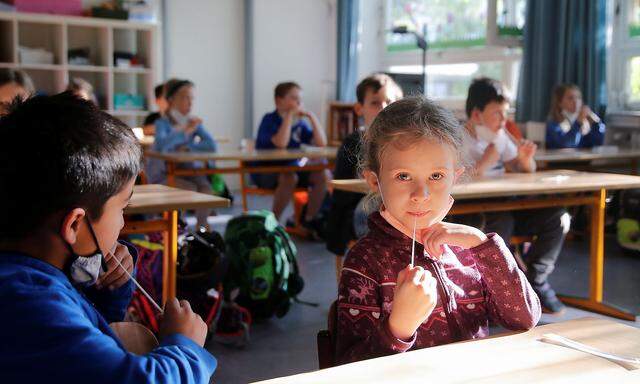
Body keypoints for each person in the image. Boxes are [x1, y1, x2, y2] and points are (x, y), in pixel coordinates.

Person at [0, 92, 216, 383]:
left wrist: (109, 286)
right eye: (122, 208)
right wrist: (184, 346)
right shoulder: (30, 303)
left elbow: (84, 339)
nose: (123, 224)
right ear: (75, 224)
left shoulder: (28, 275)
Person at [336, 96, 540, 364]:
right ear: (375, 181)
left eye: (436, 176)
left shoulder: (468, 251)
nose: (421, 194)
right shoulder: (365, 262)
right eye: (403, 176)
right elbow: (347, 368)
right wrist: (398, 327)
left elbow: (524, 318)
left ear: (454, 178)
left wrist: (482, 244)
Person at [462, 77, 570, 314]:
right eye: (497, 114)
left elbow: (525, 169)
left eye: (506, 113)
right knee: (502, 220)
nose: (504, 120)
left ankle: (536, 279)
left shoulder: (499, 136)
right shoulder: (459, 139)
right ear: (477, 114)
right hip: (480, 211)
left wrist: (524, 159)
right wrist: (485, 161)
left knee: (558, 217)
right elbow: (456, 181)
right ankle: (497, 291)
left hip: (512, 204)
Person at [326, 73, 403, 282]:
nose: (383, 107)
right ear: (360, 109)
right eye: (375, 103)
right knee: (376, 205)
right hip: (355, 211)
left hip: (396, 209)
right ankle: (373, 282)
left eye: (389, 101)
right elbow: (342, 193)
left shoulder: (405, 143)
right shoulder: (353, 144)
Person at [253, 82, 328, 232]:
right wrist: (288, 116)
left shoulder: (300, 123)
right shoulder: (269, 119)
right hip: (267, 171)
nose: (299, 103)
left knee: (322, 174)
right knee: (289, 177)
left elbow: (321, 143)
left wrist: (312, 117)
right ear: (278, 101)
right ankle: (273, 222)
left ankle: (307, 219)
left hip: (293, 169)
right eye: (294, 98)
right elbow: (281, 143)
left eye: (300, 99)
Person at [146, 79, 217, 229]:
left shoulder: (192, 122)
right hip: (162, 174)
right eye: (185, 97)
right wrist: (183, 132)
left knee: (206, 188)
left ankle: (202, 227)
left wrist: (189, 147)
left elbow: (211, 145)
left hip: (186, 171)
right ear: (171, 100)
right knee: (188, 189)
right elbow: (163, 147)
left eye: (192, 98)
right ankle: (178, 229)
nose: (190, 102)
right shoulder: (162, 123)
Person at [546, 83, 605, 149]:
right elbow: (567, 146)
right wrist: (578, 123)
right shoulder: (553, 123)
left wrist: (596, 123)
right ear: (560, 102)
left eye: (578, 98)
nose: (576, 101)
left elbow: (599, 143)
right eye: (570, 98)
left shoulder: (585, 123)